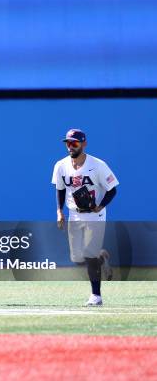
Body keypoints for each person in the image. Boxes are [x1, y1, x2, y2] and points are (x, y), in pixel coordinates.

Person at [52, 129, 118, 306]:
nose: (70, 146)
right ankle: (101, 258)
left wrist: (100, 206)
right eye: (68, 143)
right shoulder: (61, 165)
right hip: (74, 214)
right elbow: (60, 189)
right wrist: (59, 211)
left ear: (84, 144)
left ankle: (96, 296)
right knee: (77, 259)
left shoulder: (98, 165)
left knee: (88, 254)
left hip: (95, 215)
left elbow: (112, 189)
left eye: (74, 143)